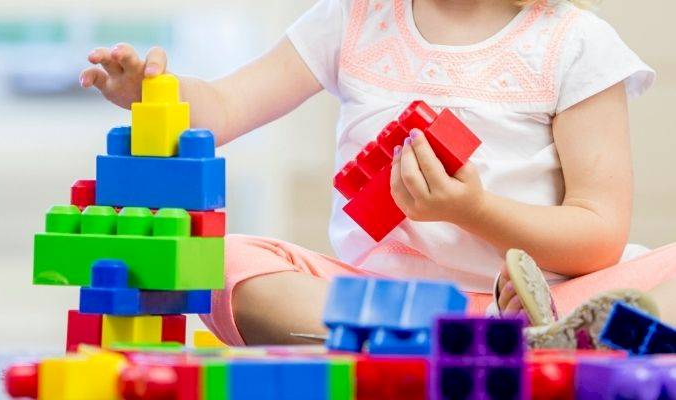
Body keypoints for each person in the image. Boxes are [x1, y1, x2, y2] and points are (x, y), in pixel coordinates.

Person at [80, 0, 676, 346]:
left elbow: (599, 235)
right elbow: (228, 106)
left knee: (655, 279)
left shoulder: (576, 44)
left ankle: (527, 339)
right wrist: (153, 95)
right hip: (376, 298)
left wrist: (474, 211)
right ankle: (453, 343)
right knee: (220, 261)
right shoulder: (354, 18)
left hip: (537, 300)